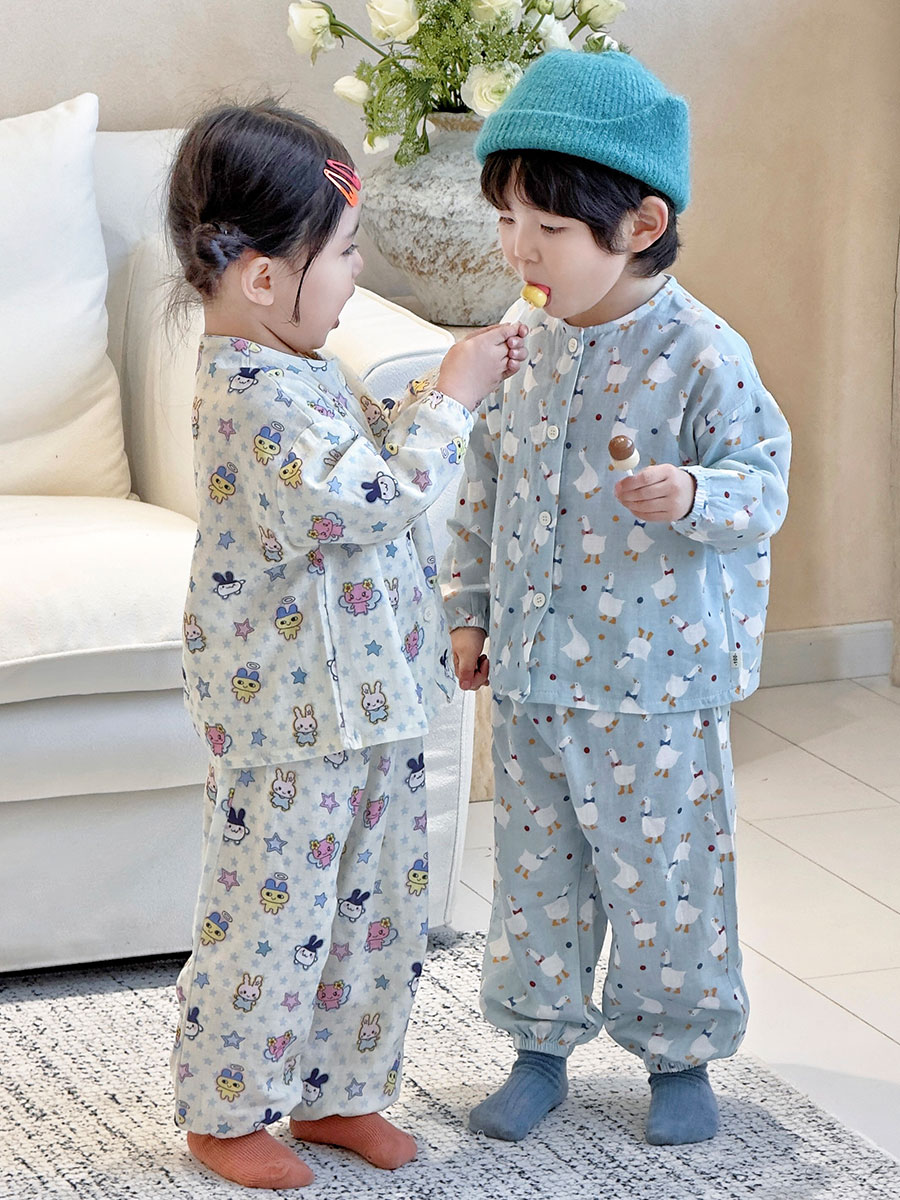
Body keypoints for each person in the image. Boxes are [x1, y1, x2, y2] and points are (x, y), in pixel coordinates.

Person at [166, 99, 526, 1189]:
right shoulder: (246, 394)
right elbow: (363, 503)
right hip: (289, 719)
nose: (357, 275)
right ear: (262, 277)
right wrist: (451, 401)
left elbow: (370, 476)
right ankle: (228, 1112)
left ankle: (341, 1092)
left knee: (379, 911)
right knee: (271, 925)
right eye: (344, 254)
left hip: (375, 699)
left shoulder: (305, 367)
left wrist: (432, 393)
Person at [441, 49, 791, 1147]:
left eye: (546, 228)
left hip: (657, 685)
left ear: (640, 225)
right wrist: (468, 608)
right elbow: (482, 484)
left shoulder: (703, 352)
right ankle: (537, 1048)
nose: (518, 249)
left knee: (667, 880)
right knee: (535, 875)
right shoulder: (519, 343)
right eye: (508, 221)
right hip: (535, 677)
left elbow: (764, 484)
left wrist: (691, 492)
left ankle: (680, 1057)